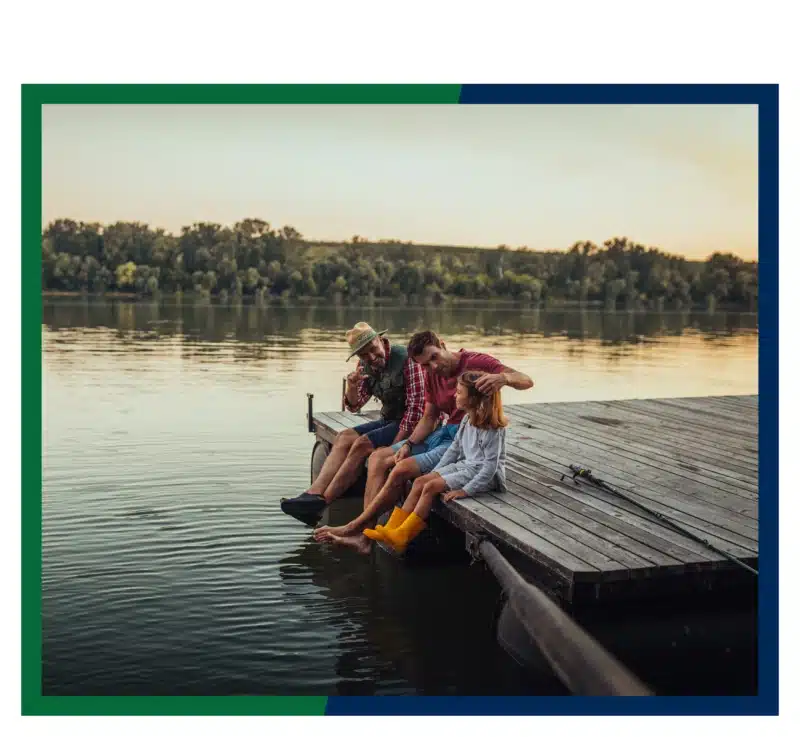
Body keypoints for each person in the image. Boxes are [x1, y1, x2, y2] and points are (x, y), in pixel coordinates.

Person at [313, 330, 533, 552]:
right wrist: (408, 444)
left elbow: (526, 381)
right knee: (379, 458)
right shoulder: (430, 373)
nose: (433, 367)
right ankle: (364, 536)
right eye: (425, 364)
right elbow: (429, 417)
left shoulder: (476, 363)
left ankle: (357, 529)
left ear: (443, 345)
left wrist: (504, 378)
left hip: (461, 439)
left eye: (434, 357)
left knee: (400, 470)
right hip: (442, 432)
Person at [280, 322, 425, 523]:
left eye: (373, 349)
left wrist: (394, 447)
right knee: (344, 436)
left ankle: (323, 502)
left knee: (362, 444)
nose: (371, 357)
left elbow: (417, 410)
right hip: (389, 419)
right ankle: (313, 494)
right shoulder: (364, 366)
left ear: (380, 339)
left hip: (413, 424)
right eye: (364, 354)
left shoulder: (406, 359)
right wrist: (352, 386)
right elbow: (355, 405)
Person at [362, 369, 508, 554]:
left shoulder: (492, 428)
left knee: (430, 487)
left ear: (473, 399)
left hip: (485, 476)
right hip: (467, 466)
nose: (455, 395)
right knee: (421, 481)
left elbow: (489, 468)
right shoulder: (466, 420)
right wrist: (436, 471)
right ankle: (392, 528)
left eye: (459, 392)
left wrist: (465, 491)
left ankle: (403, 536)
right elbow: (454, 449)